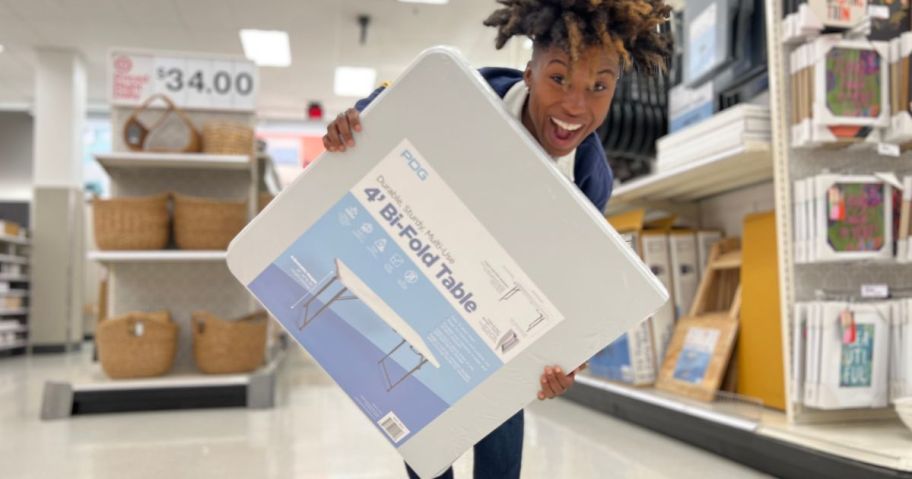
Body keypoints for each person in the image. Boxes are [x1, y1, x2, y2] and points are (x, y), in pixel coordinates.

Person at [322, 1, 671, 477]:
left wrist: (565, 356)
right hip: (422, 285)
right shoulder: (462, 93)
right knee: (426, 446)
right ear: (528, 72)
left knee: (500, 433)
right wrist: (355, 122)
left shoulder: (591, 180)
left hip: (495, 325)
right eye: (559, 78)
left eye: (599, 87)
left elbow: (571, 279)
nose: (576, 105)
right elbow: (389, 108)